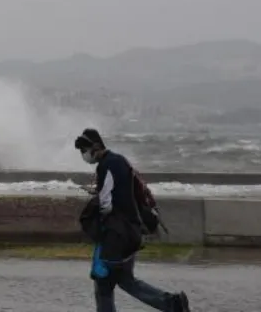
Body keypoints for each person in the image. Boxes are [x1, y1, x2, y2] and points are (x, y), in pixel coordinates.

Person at [74, 128, 191, 312]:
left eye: (84, 150)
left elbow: (106, 203)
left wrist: (97, 213)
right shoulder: (120, 161)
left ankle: (172, 304)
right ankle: (172, 304)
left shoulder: (106, 165)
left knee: (104, 285)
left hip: (117, 236)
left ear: (96, 147)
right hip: (131, 232)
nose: (84, 155)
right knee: (126, 281)